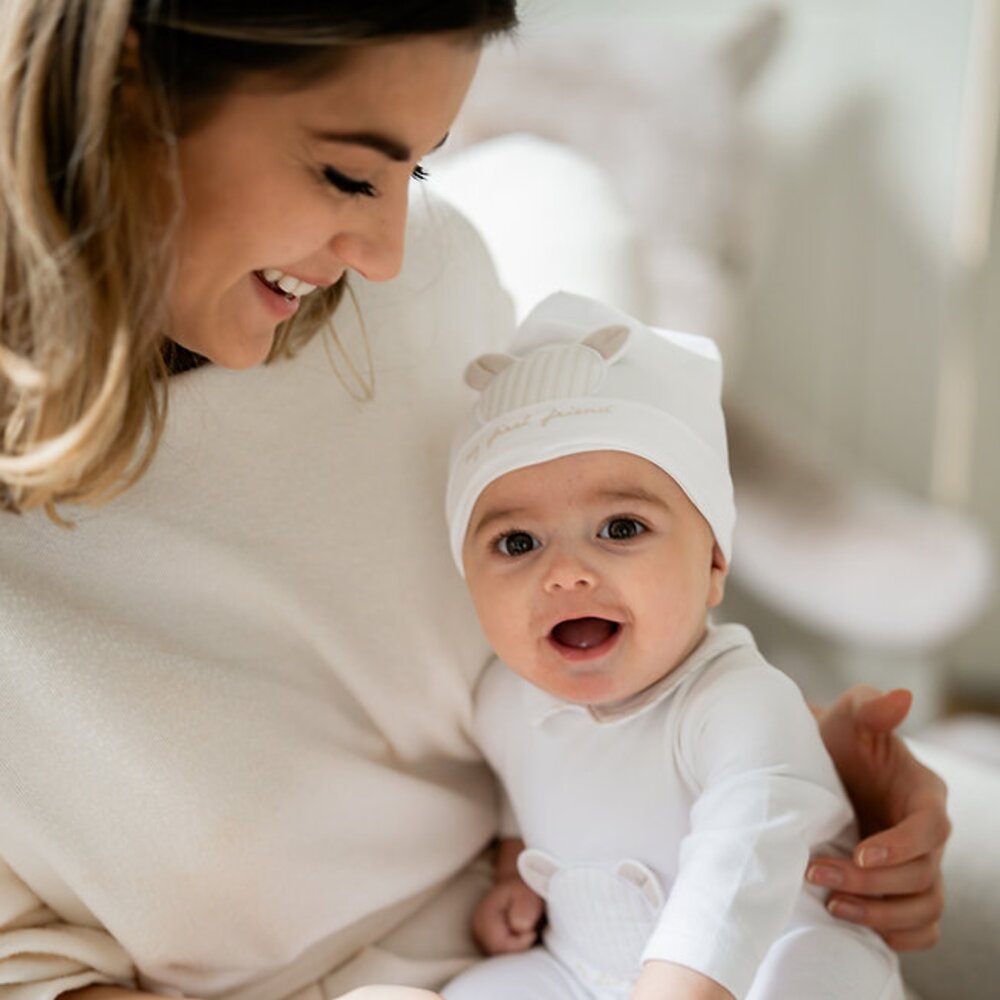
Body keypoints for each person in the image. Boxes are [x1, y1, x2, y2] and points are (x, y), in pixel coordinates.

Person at [0, 5, 947, 1000]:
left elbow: (567, 611)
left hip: (612, 910)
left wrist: (805, 766)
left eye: (417, 171)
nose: (386, 253)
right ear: (124, 95)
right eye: (349, 173)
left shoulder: (417, 291)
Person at [441, 291, 915, 1000]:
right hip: (586, 967)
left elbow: (742, 856)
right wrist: (514, 872)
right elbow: (528, 795)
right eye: (517, 542)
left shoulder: (737, 701)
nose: (565, 572)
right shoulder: (497, 700)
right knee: (481, 988)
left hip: (762, 956)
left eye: (621, 528)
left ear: (715, 565)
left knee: (823, 975)